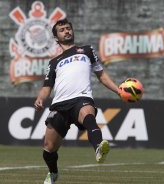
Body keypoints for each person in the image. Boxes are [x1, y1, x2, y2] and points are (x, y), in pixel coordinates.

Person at [34, 19, 120, 184]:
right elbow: (47, 86)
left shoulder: (86, 50)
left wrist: (118, 90)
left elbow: (101, 75)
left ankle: (98, 148)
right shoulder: (53, 62)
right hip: (60, 104)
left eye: (68, 28)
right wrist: (40, 98)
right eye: (62, 30)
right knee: (48, 148)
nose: (66, 31)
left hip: (81, 97)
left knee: (88, 114)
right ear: (56, 37)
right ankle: (53, 173)